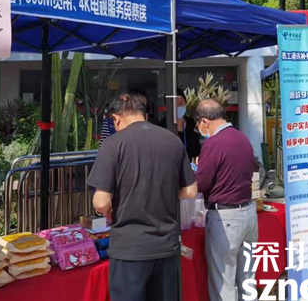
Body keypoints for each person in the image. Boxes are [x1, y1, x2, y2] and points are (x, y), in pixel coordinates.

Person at [88, 93, 198, 301]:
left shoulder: (113, 144)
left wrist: (110, 211)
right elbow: (190, 191)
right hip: (167, 246)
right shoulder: (172, 140)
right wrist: (163, 192)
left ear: (116, 119)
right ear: (144, 115)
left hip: (130, 248)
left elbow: (101, 202)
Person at [194, 99, 258, 301]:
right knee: (247, 277)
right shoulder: (242, 138)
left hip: (225, 216)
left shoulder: (213, 144)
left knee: (224, 281)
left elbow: (201, 183)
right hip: (248, 212)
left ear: (205, 121)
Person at [161, 89, 201, 162]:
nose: (180, 106)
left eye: (182, 103)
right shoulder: (162, 126)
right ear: (167, 107)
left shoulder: (191, 122)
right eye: (177, 104)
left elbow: (197, 149)